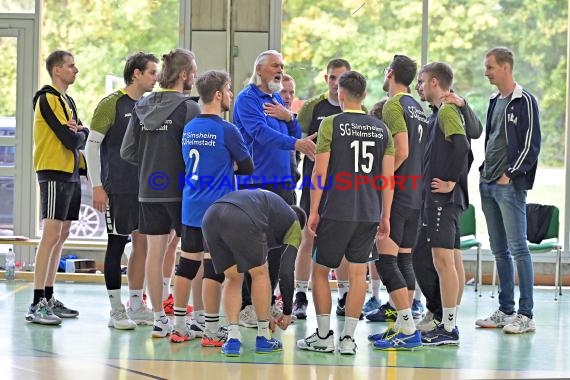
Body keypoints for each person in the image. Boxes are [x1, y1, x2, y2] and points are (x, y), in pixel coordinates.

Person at [297, 71, 395, 355]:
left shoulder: (331, 123)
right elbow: (388, 179)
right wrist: (385, 214)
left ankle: (324, 335)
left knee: (320, 271)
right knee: (357, 275)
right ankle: (349, 339)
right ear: (364, 96)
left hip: (336, 210)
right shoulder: (381, 129)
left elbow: (319, 171)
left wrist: (314, 210)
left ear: (340, 94)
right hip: (369, 211)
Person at [121, 48, 201, 338]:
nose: (196, 76)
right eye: (194, 71)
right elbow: (197, 153)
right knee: (194, 254)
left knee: (154, 253)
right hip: (182, 193)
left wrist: (151, 165)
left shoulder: (141, 106)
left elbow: (127, 150)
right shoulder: (190, 108)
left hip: (148, 192)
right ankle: (196, 318)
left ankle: (158, 319)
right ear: (183, 75)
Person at [233, 50, 316, 327]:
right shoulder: (247, 99)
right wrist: (297, 143)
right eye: (274, 66)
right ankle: (247, 306)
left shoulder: (278, 99)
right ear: (260, 69)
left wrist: (289, 117)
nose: (280, 70)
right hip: (256, 183)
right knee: (252, 248)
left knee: (279, 248)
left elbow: (293, 133)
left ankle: (267, 303)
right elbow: (260, 133)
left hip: (284, 183)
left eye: (282, 66)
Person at [170, 69, 253, 344]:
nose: (231, 95)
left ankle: (180, 327)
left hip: (191, 204)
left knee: (187, 265)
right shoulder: (227, 130)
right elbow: (248, 166)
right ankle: (210, 329)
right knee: (213, 268)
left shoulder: (190, 127)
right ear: (218, 94)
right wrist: (230, 163)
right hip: (219, 210)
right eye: (229, 90)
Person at [85, 52, 158, 329]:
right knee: (116, 244)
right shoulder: (111, 104)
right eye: (152, 72)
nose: (156, 78)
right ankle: (116, 310)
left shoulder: (151, 105)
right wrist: (97, 185)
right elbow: (91, 146)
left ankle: (136, 305)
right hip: (117, 188)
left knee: (143, 245)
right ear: (136, 74)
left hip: (145, 190)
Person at [475, 47, 541, 334]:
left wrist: (509, 174)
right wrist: (485, 171)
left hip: (509, 186)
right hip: (487, 183)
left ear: (505, 67)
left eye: (490, 67)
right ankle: (505, 310)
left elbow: (531, 144)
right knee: (498, 250)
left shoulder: (525, 100)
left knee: (518, 248)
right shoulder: (493, 100)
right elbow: (492, 139)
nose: (486, 72)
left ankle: (526, 314)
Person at [412, 70, 483, 334]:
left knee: (443, 261)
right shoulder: (440, 111)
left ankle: (448, 325)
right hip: (447, 197)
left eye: (421, 81)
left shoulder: (447, 111)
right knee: (451, 259)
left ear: (434, 82)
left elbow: (463, 145)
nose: (418, 87)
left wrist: (453, 180)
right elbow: (473, 134)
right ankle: (446, 318)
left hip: (443, 197)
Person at [367, 55, 428, 350]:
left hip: (399, 192)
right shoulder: (418, 107)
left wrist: (380, 178)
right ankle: (403, 325)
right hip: (416, 193)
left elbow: (401, 150)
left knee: (386, 261)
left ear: (390, 73)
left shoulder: (394, 104)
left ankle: (407, 328)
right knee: (403, 258)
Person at [202, 189, 304, 356]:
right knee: (261, 272)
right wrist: (287, 312)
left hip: (211, 216)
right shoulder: (294, 223)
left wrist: (263, 312)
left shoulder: (273, 211)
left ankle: (233, 339)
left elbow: (248, 269)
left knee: (233, 277)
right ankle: (263, 337)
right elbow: (286, 272)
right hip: (241, 216)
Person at [26, 50, 88, 325]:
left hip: (71, 172)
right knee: (50, 234)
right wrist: (78, 133)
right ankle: (36, 301)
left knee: (62, 234)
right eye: (71, 66)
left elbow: (81, 135)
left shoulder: (68, 100)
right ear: (57, 70)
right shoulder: (47, 98)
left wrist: (80, 132)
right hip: (53, 171)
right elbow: (69, 139)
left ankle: (49, 296)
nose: (76, 70)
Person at [293, 58, 355, 320]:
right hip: (313, 183)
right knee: (308, 237)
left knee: (340, 243)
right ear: (325, 79)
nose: (335, 83)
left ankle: (344, 296)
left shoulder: (354, 110)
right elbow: (298, 139)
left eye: (341, 78)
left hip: (342, 187)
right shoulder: (313, 108)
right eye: (331, 77)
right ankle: (300, 296)